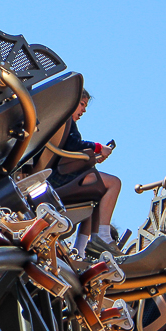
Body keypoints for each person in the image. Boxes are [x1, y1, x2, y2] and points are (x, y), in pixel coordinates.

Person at [44, 89, 122, 255]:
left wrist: (93, 157)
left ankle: (80, 250)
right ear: (71, 101)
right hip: (58, 177)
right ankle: (103, 236)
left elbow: (71, 150)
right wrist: (98, 147)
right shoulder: (64, 120)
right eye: (81, 104)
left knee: (93, 196)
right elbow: (72, 145)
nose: (84, 110)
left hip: (56, 174)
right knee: (114, 183)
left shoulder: (59, 120)